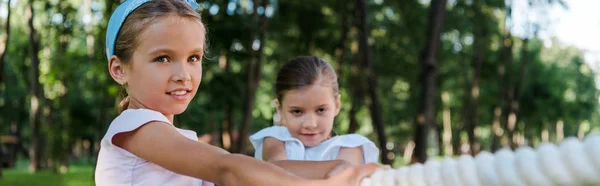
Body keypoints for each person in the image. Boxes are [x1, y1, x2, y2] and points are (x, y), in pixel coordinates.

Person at [94, 1, 380, 185]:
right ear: (120, 69)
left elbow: (250, 169)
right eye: (163, 58)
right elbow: (226, 168)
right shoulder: (134, 127)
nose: (183, 74)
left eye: (193, 58)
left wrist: (336, 168)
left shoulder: (168, 137)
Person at [250, 56, 380, 179]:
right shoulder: (275, 138)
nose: (310, 124)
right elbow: (276, 171)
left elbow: (342, 179)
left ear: (337, 105)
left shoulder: (350, 146)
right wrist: (335, 166)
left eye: (321, 110)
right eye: (297, 111)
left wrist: (342, 169)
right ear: (280, 109)